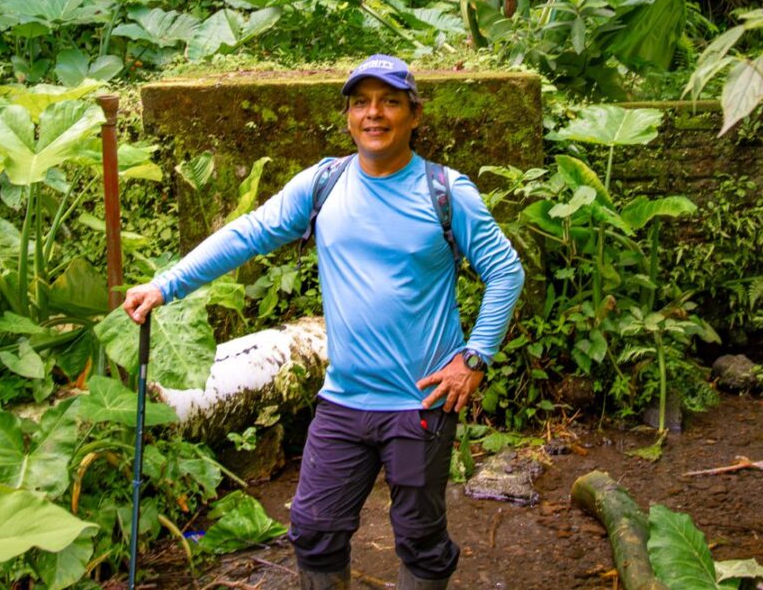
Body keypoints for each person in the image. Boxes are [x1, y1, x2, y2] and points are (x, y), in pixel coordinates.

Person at [124, 54, 525, 590]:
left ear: (414, 114)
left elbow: (506, 271)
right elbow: (248, 233)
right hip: (343, 402)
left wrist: (473, 359)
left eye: (389, 101)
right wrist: (166, 284)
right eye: (361, 102)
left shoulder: (446, 193)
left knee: (419, 537)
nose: (374, 113)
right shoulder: (324, 184)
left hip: (419, 405)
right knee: (314, 529)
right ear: (348, 116)